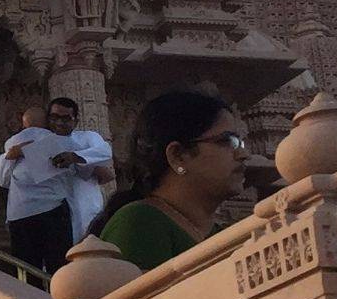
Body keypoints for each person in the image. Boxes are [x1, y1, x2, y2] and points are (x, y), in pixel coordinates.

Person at [97, 89, 247, 272]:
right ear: (178, 156)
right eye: (227, 141)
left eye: (240, 143)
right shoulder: (141, 224)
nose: (243, 154)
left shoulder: (227, 236)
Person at [0, 101, 78, 282]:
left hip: (21, 213)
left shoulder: (12, 143)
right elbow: (72, 172)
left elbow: (3, 181)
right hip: (54, 208)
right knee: (58, 266)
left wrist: (13, 155)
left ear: (24, 123)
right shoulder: (60, 141)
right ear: (46, 122)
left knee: (26, 268)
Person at [47, 93, 115, 242]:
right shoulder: (42, 143)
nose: (58, 123)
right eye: (54, 117)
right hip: (53, 209)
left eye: (65, 119)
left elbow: (105, 152)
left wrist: (74, 157)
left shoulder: (86, 138)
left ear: (75, 121)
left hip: (85, 205)